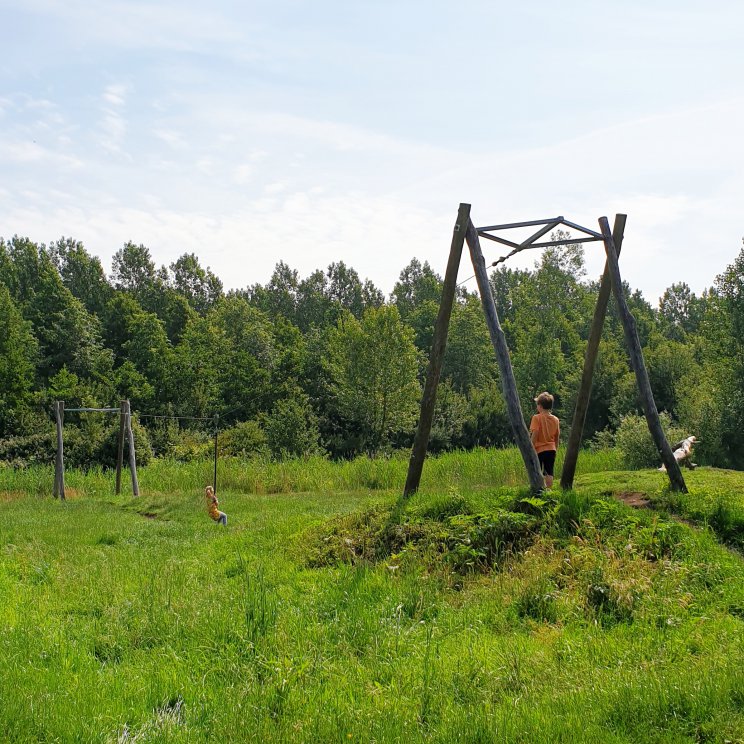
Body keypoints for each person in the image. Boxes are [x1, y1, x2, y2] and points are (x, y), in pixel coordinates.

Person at [529, 391, 560, 489]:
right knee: (549, 471)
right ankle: (549, 490)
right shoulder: (556, 419)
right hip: (551, 449)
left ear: (540, 406)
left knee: (537, 471)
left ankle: (539, 489)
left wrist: (531, 448)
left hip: (539, 449)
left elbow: (535, 434)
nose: (536, 406)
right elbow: (557, 436)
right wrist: (556, 448)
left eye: (537, 404)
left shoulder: (536, 418)